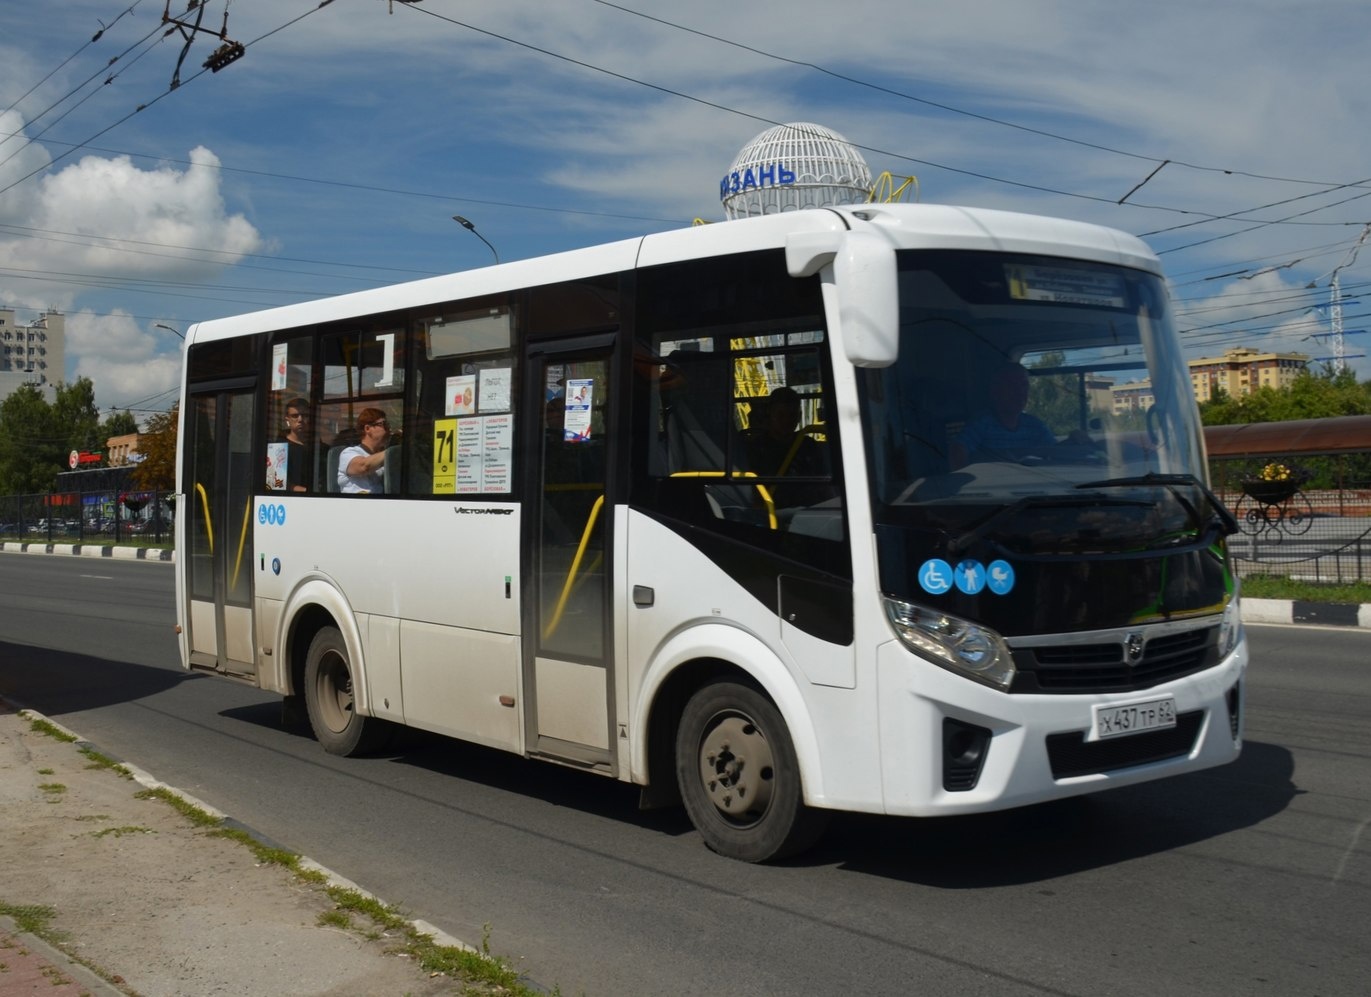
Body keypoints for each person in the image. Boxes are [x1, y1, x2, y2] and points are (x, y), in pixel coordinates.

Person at [950, 362, 1057, 467]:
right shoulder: (982, 424)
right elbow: (958, 451)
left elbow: (1056, 451)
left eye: (1024, 385)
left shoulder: (1035, 425)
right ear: (995, 391)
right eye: (1011, 385)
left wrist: (1072, 442)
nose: (1020, 392)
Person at [337, 407, 389, 494]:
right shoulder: (348, 453)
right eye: (383, 424)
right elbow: (364, 467)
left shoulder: (381, 455)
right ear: (367, 429)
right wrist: (391, 452)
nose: (388, 429)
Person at [282, 397, 313, 492]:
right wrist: (305, 490)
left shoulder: (318, 447)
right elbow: (276, 482)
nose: (300, 419)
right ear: (287, 419)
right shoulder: (279, 447)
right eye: (295, 416)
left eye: (304, 415)